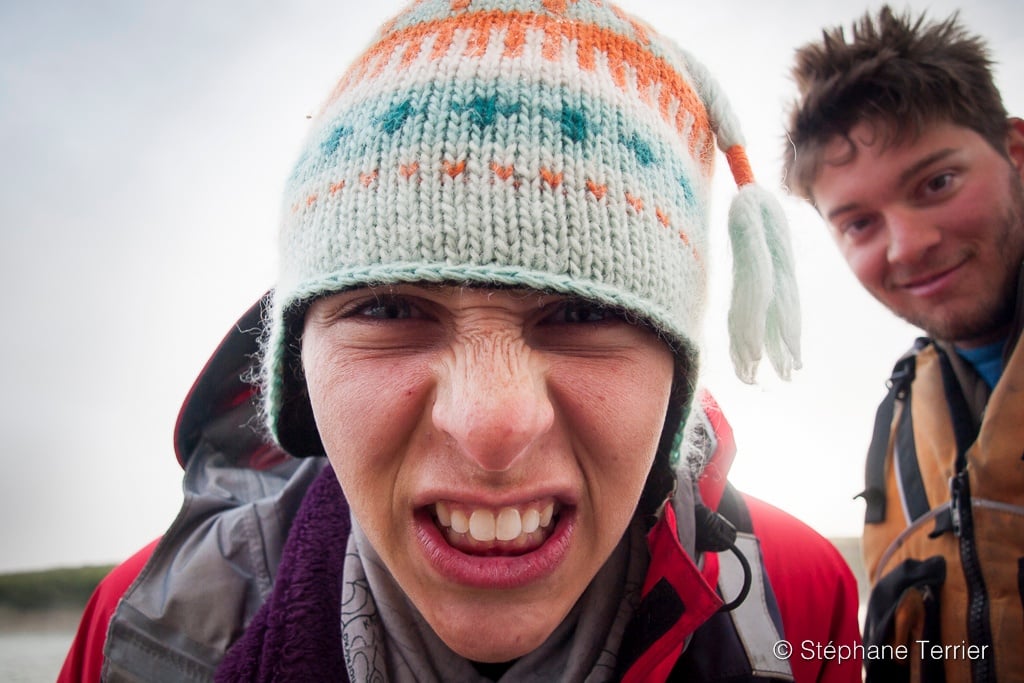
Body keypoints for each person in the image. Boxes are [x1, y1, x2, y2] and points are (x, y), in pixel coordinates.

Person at [59, 1, 862, 681]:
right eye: (387, 309)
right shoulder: (146, 622)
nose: (489, 430)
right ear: (297, 365)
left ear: (678, 375)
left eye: (582, 315)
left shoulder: (797, 596)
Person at [783, 6, 1024, 682]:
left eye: (937, 183)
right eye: (859, 222)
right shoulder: (897, 426)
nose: (907, 244)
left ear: (1016, 152)